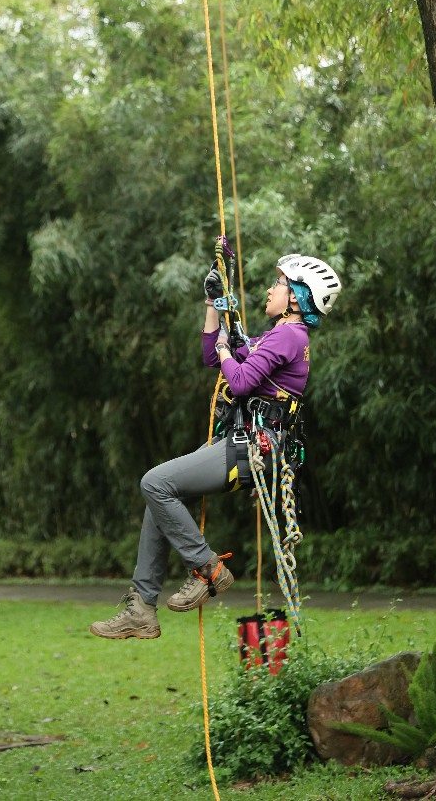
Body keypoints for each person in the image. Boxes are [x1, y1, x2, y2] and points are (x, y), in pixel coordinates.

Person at [90, 253, 341, 640]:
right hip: (244, 445)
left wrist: (227, 348)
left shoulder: (290, 336)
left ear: (295, 298)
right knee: (159, 498)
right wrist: (213, 305)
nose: (270, 289)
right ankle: (141, 606)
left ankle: (207, 567)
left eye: (278, 284)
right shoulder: (278, 336)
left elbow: (238, 381)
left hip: (252, 448)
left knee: (154, 483)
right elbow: (213, 357)